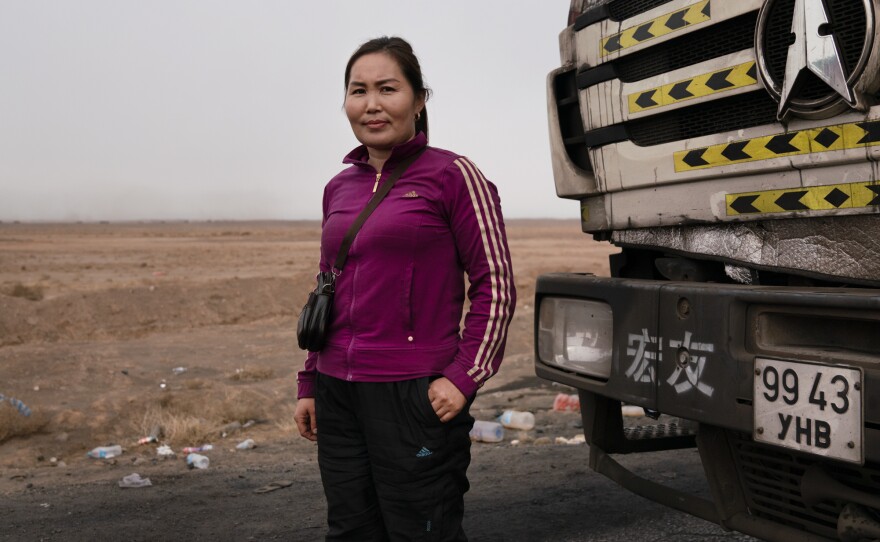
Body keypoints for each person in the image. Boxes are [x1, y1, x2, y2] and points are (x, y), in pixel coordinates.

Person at [294, 36, 515, 541]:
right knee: (350, 531)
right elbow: (326, 289)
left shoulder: (453, 176)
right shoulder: (339, 186)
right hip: (338, 393)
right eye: (358, 91)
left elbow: (495, 286)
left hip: (414, 395)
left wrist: (463, 377)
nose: (371, 104)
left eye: (387, 89)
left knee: (422, 532)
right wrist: (311, 381)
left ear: (418, 100)